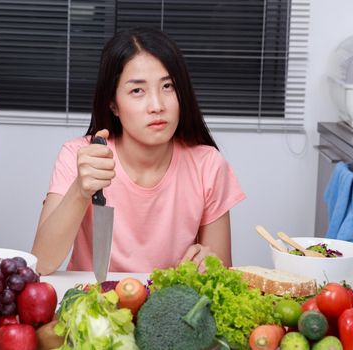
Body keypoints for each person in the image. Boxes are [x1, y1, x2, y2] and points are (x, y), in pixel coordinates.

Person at [31, 27, 245, 275]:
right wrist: (80, 189)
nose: (157, 105)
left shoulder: (208, 165)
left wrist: (209, 264)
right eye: (137, 91)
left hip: (169, 307)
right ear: (113, 104)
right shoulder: (80, 155)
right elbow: (42, 264)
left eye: (168, 87)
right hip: (94, 305)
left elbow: (223, 278)